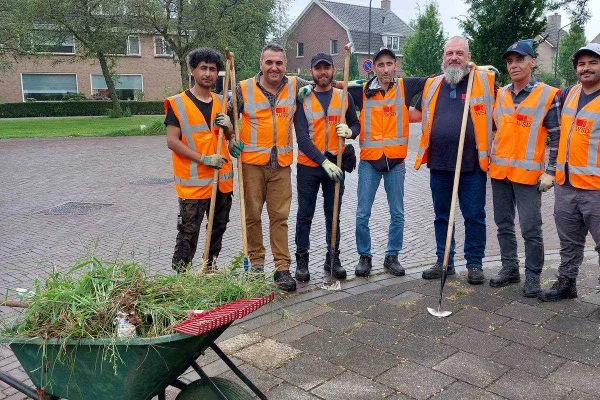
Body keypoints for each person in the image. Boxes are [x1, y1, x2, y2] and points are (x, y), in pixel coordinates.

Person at [230, 43, 314, 292]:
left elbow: (324, 87)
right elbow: (227, 117)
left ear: (285, 65)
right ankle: (256, 265)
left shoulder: (295, 84)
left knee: (280, 218)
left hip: (281, 167)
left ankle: (282, 268)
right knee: (252, 216)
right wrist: (230, 137)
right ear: (261, 64)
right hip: (252, 166)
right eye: (269, 62)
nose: (274, 67)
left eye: (279, 63)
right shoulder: (243, 88)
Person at [414, 36, 495, 285]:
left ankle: (474, 264)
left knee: (473, 215)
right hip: (439, 163)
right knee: (442, 216)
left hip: (471, 165)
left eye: (460, 53)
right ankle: (444, 261)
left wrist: (479, 69)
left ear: (469, 57)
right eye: (450, 53)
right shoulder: (433, 85)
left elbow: (496, 73)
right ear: (443, 57)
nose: (454, 58)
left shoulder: (483, 81)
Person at [488, 39, 561, 297]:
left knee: (531, 228)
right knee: (503, 224)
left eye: (519, 60)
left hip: (529, 177)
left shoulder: (547, 95)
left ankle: (533, 276)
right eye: (509, 61)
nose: (514, 65)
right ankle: (510, 269)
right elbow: (496, 130)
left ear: (532, 62)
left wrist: (551, 171)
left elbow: (558, 136)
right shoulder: (502, 94)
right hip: (499, 173)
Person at [348, 48, 427, 277]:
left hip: (395, 164)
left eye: (389, 64)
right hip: (369, 163)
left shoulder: (405, 87)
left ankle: (392, 256)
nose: (385, 69)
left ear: (396, 66)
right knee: (363, 213)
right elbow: (334, 87)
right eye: (380, 65)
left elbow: (432, 82)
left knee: (397, 213)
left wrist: (421, 106)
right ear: (374, 67)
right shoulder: (362, 91)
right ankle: (365, 256)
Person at [164, 48, 243, 273]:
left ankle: (209, 267)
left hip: (222, 180)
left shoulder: (222, 102)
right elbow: (172, 141)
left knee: (218, 227)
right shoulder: (178, 103)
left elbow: (230, 140)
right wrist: (204, 159)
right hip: (194, 184)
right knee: (189, 231)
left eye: (212, 69)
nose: (208, 73)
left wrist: (229, 129)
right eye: (203, 68)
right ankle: (180, 275)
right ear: (193, 70)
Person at [539, 43, 600, 301]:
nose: (586, 68)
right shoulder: (569, 94)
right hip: (566, 185)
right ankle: (566, 283)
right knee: (569, 241)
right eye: (581, 64)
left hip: (596, 188)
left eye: (593, 63)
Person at [293, 53, 360, 282]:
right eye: (318, 68)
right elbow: (302, 138)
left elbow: (356, 123)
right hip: (309, 166)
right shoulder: (303, 98)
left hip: (337, 162)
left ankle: (333, 258)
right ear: (312, 72)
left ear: (334, 70)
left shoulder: (344, 97)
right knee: (305, 215)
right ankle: (302, 259)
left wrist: (350, 132)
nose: (322, 72)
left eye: (327, 68)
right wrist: (323, 162)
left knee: (333, 215)